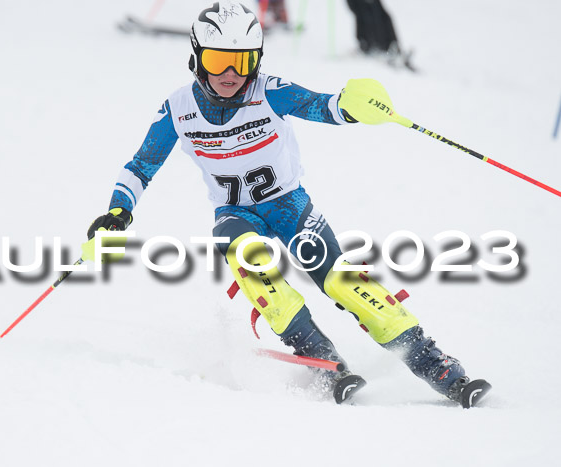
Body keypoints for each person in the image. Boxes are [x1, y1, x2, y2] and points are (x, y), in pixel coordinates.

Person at [83, 1, 490, 407]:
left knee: (344, 283)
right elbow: (140, 167)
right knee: (255, 271)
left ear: (256, 61)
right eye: (217, 60)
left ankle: (436, 366)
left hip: (289, 206)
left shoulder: (269, 92)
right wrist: (118, 211)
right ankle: (323, 363)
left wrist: (353, 105)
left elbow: (322, 105)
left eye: (241, 63)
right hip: (235, 214)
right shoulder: (177, 111)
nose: (229, 74)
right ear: (196, 57)